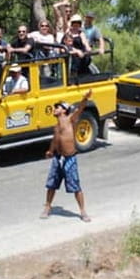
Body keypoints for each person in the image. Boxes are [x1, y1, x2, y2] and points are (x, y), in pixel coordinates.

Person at [40, 89, 92, 223]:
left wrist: (85, 99)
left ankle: (83, 211)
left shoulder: (71, 120)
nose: (54, 109)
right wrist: (50, 151)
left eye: (57, 107)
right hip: (58, 158)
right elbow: (55, 139)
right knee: (51, 184)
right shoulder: (56, 126)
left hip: (70, 158)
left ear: (64, 110)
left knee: (75, 185)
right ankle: (47, 207)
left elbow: (79, 109)